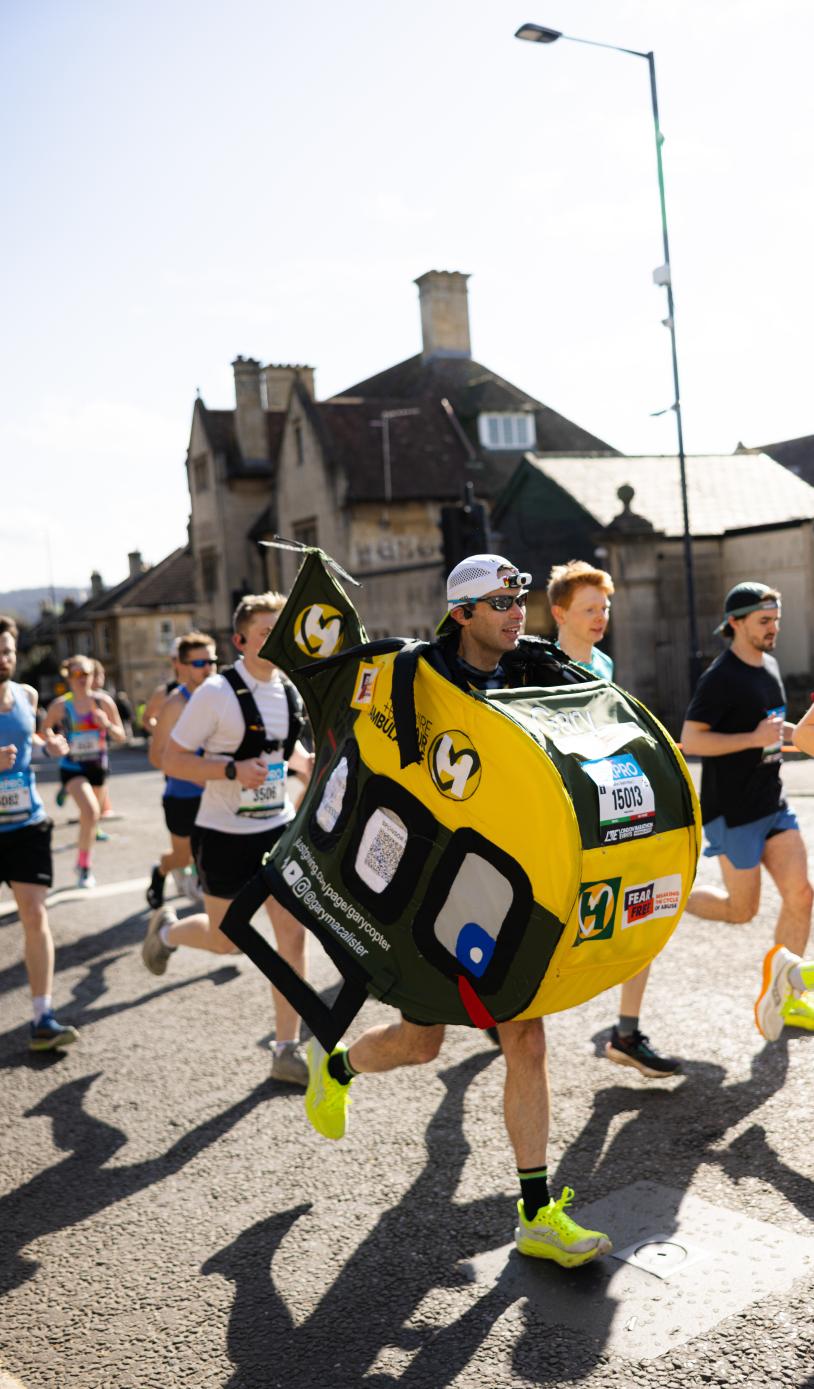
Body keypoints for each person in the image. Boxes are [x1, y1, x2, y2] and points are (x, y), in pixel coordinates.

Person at [305, 555, 612, 1268]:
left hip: (503, 881)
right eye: (501, 602)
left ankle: (536, 1213)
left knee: (526, 1035)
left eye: (520, 599)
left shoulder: (534, 666)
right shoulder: (421, 673)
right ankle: (341, 1066)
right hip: (430, 882)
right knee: (422, 1045)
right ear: (463, 612)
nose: (516, 613)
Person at [141, 593, 314, 1086]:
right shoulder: (216, 692)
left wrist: (306, 764)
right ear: (240, 640)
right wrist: (231, 770)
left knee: (291, 935)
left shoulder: (288, 690)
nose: (276, 641)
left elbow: (287, 751)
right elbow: (172, 760)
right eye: (265, 633)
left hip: (277, 831)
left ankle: (286, 1049)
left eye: (282, 631)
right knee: (227, 944)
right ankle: (168, 931)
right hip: (222, 836)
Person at [547, 559, 680, 1079]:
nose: (601, 617)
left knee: (640, 910)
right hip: (559, 817)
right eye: (589, 609)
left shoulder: (604, 666)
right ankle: (502, 1007)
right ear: (559, 613)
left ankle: (626, 1032)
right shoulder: (534, 668)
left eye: (605, 607)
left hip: (606, 808)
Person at [681, 581, 814, 1033]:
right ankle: (676, 899)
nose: (773, 628)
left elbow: (773, 729)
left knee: (801, 894)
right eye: (764, 621)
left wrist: (797, 734)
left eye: (776, 619)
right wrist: (753, 739)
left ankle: (787, 997)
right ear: (735, 623)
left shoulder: (770, 666)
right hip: (731, 811)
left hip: (772, 803)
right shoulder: (720, 678)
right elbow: (693, 739)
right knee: (743, 911)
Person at [0, 616, 80, 1050]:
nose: (4, 659)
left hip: (27, 823)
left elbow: (28, 733)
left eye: (8, 651)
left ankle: (42, 1017)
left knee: (35, 914)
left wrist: (49, 745)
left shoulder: (26, 695)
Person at [145, 631, 217, 909]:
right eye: (199, 663)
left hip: (217, 791)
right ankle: (161, 870)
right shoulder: (174, 703)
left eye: (211, 661)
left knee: (215, 852)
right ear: (183, 666)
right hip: (183, 795)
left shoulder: (223, 697)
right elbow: (156, 757)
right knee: (183, 857)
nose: (208, 668)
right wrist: (193, 774)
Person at [42, 656, 127, 888]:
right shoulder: (61, 706)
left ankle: (82, 862)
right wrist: (53, 738)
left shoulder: (103, 703)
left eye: (86, 674)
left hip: (97, 767)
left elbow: (121, 736)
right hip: (72, 767)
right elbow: (44, 730)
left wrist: (107, 725)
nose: (82, 679)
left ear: (93, 676)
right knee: (89, 813)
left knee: (92, 819)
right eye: (76, 674)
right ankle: (85, 868)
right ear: (68, 677)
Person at [141, 640, 183, 737]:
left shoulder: (205, 688)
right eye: (184, 659)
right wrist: (162, 732)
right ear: (174, 661)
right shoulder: (164, 692)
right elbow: (146, 718)